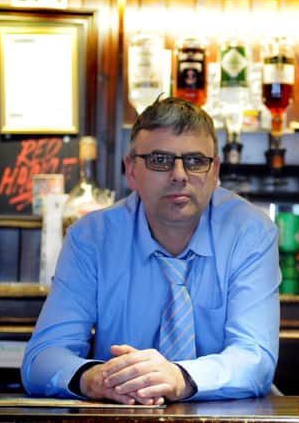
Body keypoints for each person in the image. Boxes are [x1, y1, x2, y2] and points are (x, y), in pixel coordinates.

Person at [21, 96, 281, 405]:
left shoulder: (249, 232)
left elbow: (255, 359)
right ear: (131, 170)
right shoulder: (91, 238)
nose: (180, 175)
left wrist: (178, 377)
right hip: (122, 412)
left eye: (196, 161)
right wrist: (95, 379)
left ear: (215, 173)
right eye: (160, 160)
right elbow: (41, 359)